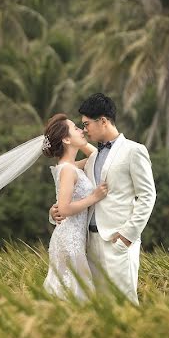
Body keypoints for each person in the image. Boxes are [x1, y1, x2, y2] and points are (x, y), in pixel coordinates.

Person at [50, 93, 156, 304]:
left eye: (87, 124)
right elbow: (71, 185)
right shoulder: (92, 158)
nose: (85, 129)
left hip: (117, 241)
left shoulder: (134, 151)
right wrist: (55, 211)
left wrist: (127, 236)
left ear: (104, 121)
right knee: (97, 308)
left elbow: (147, 195)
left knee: (123, 303)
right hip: (88, 244)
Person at [41, 113, 107, 301]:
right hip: (69, 240)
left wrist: (79, 139)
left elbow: (96, 155)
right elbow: (64, 209)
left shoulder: (71, 166)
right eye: (76, 128)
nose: (82, 129)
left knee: (72, 289)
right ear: (66, 138)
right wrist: (93, 197)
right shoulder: (68, 169)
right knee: (73, 291)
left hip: (73, 238)